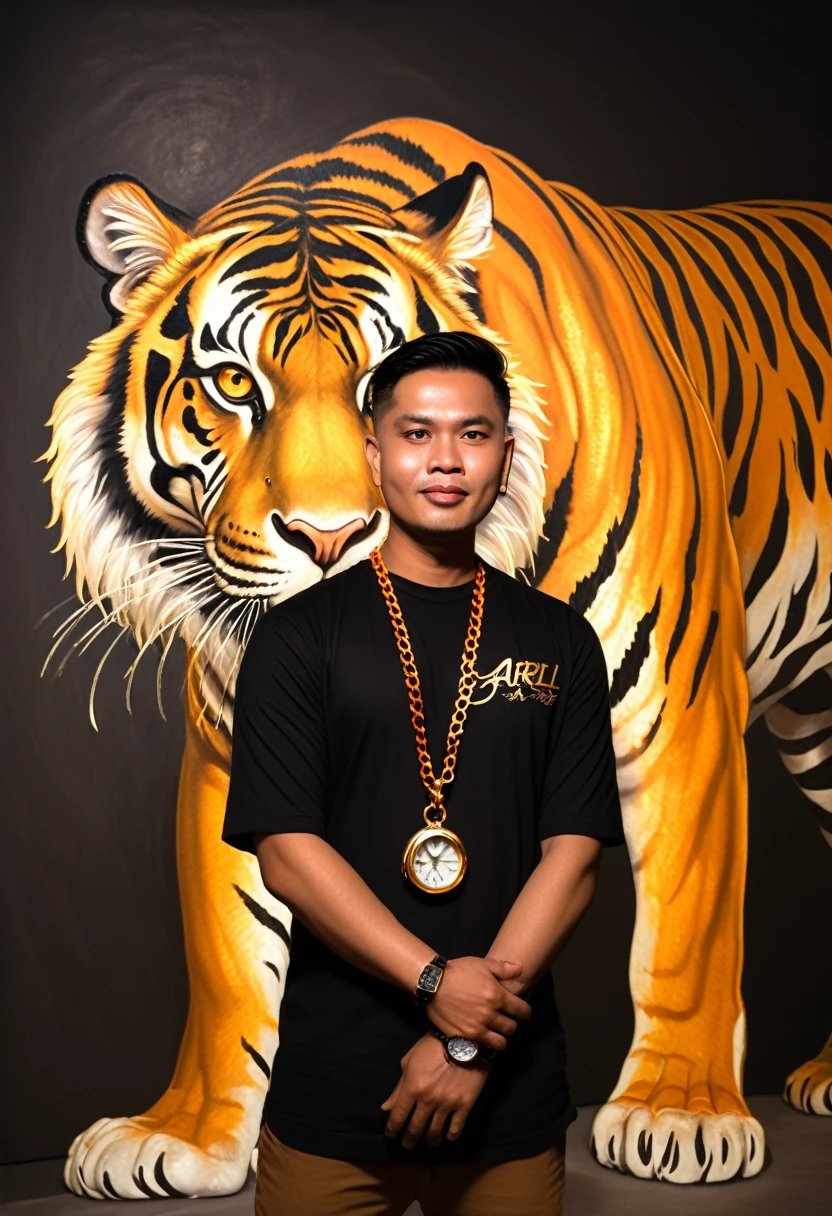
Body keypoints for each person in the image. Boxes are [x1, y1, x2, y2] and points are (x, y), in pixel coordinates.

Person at [223, 331, 624, 1215]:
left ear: (506, 454)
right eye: (416, 434)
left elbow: (575, 855)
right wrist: (436, 984)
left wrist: (467, 1044)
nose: (446, 459)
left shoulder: (560, 639)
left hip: (508, 1096)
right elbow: (286, 851)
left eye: (473, 435)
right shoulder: (299, 638)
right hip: (337, 1091)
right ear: (373, 455)